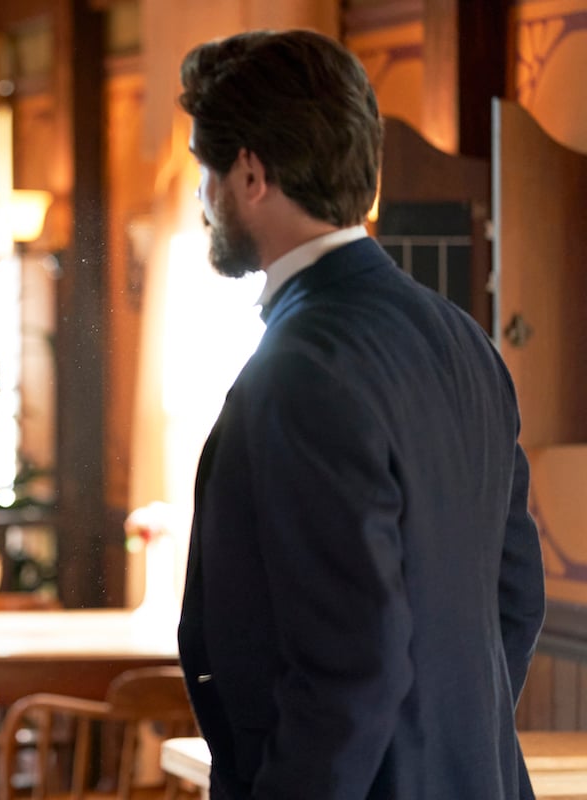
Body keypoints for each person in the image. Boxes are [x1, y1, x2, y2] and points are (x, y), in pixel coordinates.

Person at [175, 30, 546, 799]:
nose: (202, 198)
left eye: (203, 169)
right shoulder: (463, 338)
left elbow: (350, 666)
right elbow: (515, 597)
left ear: (249, 172)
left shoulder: (298, 368)